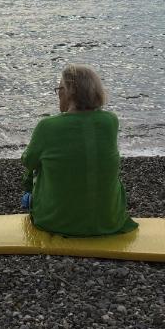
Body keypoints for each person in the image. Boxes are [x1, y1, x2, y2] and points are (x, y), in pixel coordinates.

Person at [21, 64, 137, 237]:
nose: (58, 93)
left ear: (70, 92)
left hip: (56, 221)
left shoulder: (47, 126)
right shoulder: (110, 121)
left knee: (36, 167)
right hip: (109, 220)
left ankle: (33, 199)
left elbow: (28, 161)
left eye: (60, 88)